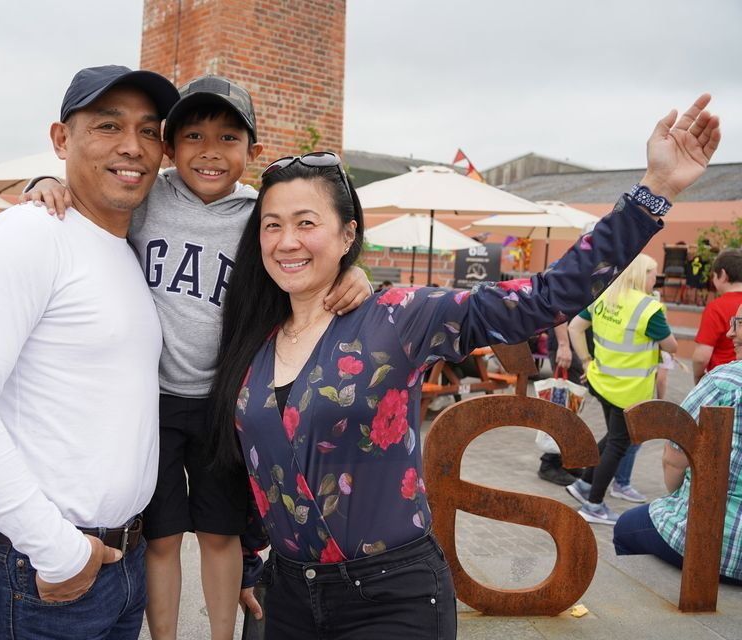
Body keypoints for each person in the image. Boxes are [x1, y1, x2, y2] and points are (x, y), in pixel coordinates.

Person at [214, 93, 719, 639]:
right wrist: (246, 560)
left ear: (347, 236)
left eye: (306, 222)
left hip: (391, 599)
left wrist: (657, 192)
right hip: (285, 597)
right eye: (271, 226)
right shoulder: (252, 340)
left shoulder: (399, 319)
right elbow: (251, 466)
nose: (287, 241)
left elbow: (543, 298)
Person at [23, 75, 371, 640]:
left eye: (228, 138)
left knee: (219, 534)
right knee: (160, 538)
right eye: (192, 136)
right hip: (149, 402)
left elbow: (317, 244)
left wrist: (352, 268)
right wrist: (41, 180)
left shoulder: (260, 214)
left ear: (252, 153)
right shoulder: (146, 196)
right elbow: (87, 190)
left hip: (222, 403)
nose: (210, 152)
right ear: (168, 144)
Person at [0, 65, 181, 639]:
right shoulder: (28, 235)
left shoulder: (127, 247)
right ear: (62, 139)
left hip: (120, 563)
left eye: (150, 130)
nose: (132, 147)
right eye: (108, 126)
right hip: (40, 570)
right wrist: (57, 550)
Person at [614, 302, 742, 586]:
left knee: (625, 527)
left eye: (738, 323)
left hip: (720, 549)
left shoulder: (725, 380)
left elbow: (675, 456)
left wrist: (675, 497)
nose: (730, 333)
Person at [565, 255, 678, 522]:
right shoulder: (648, 308)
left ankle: (583, 484)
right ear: (641, 275)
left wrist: (585, 360)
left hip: (601, 381)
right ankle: (593, 505)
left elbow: (574, 327)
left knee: (613, 437)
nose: (655, 279)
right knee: (619, 443)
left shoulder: (604, 296)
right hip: (629, 389)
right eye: (653, 274)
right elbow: (671, 346)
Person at [692, 248, 742, 382]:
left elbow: (701, 357)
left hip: (721, 381)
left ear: (723, 275)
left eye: (713, 276)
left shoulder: (716, 307)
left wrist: (698, 379)